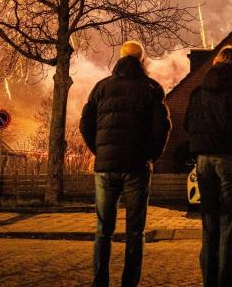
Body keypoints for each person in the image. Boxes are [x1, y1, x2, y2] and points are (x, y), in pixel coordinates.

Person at [80, 40, 172, 287]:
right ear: (142, 60)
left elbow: (86, 124)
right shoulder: (152, 89)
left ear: (120, 58)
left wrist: (99, 151)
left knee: (103, 230)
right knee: (135, 231)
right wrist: (150, 155)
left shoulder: (101, 87)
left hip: (106, 167)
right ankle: (129, 282)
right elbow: (162, 126)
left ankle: (100, 281)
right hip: (136, 167)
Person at [184, 45, 232, 287]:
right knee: (230, 221)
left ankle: (209, 281)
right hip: (230, 158)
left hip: (203, 159)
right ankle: (228, 282)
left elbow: (187, 124)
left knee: (209, 220)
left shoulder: (198, 92)